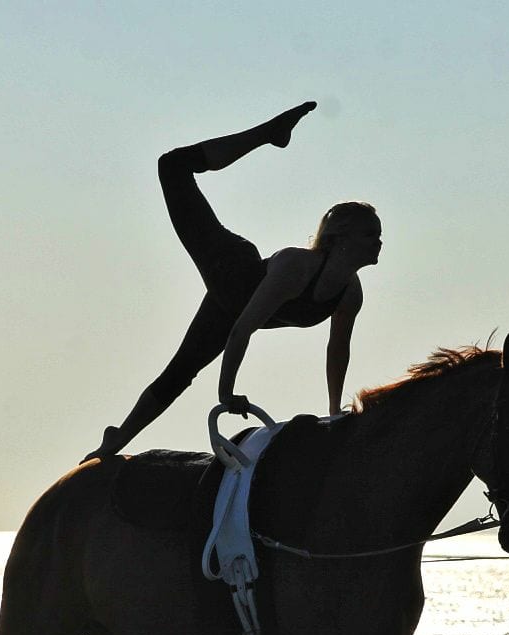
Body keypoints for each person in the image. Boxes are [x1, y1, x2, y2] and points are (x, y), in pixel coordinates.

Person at [82, 101, 381, 462]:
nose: (379, 241)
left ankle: (116, 440)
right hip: (231, 267)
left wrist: (334, 413)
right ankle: (267, 133)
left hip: (229, 308)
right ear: (342, 238)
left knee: (180, 372)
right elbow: (243, 330)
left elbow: (337, 351)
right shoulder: (295, 267)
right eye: (371, 234)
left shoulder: (350, 293)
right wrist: (227, 392)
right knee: (172, 166)